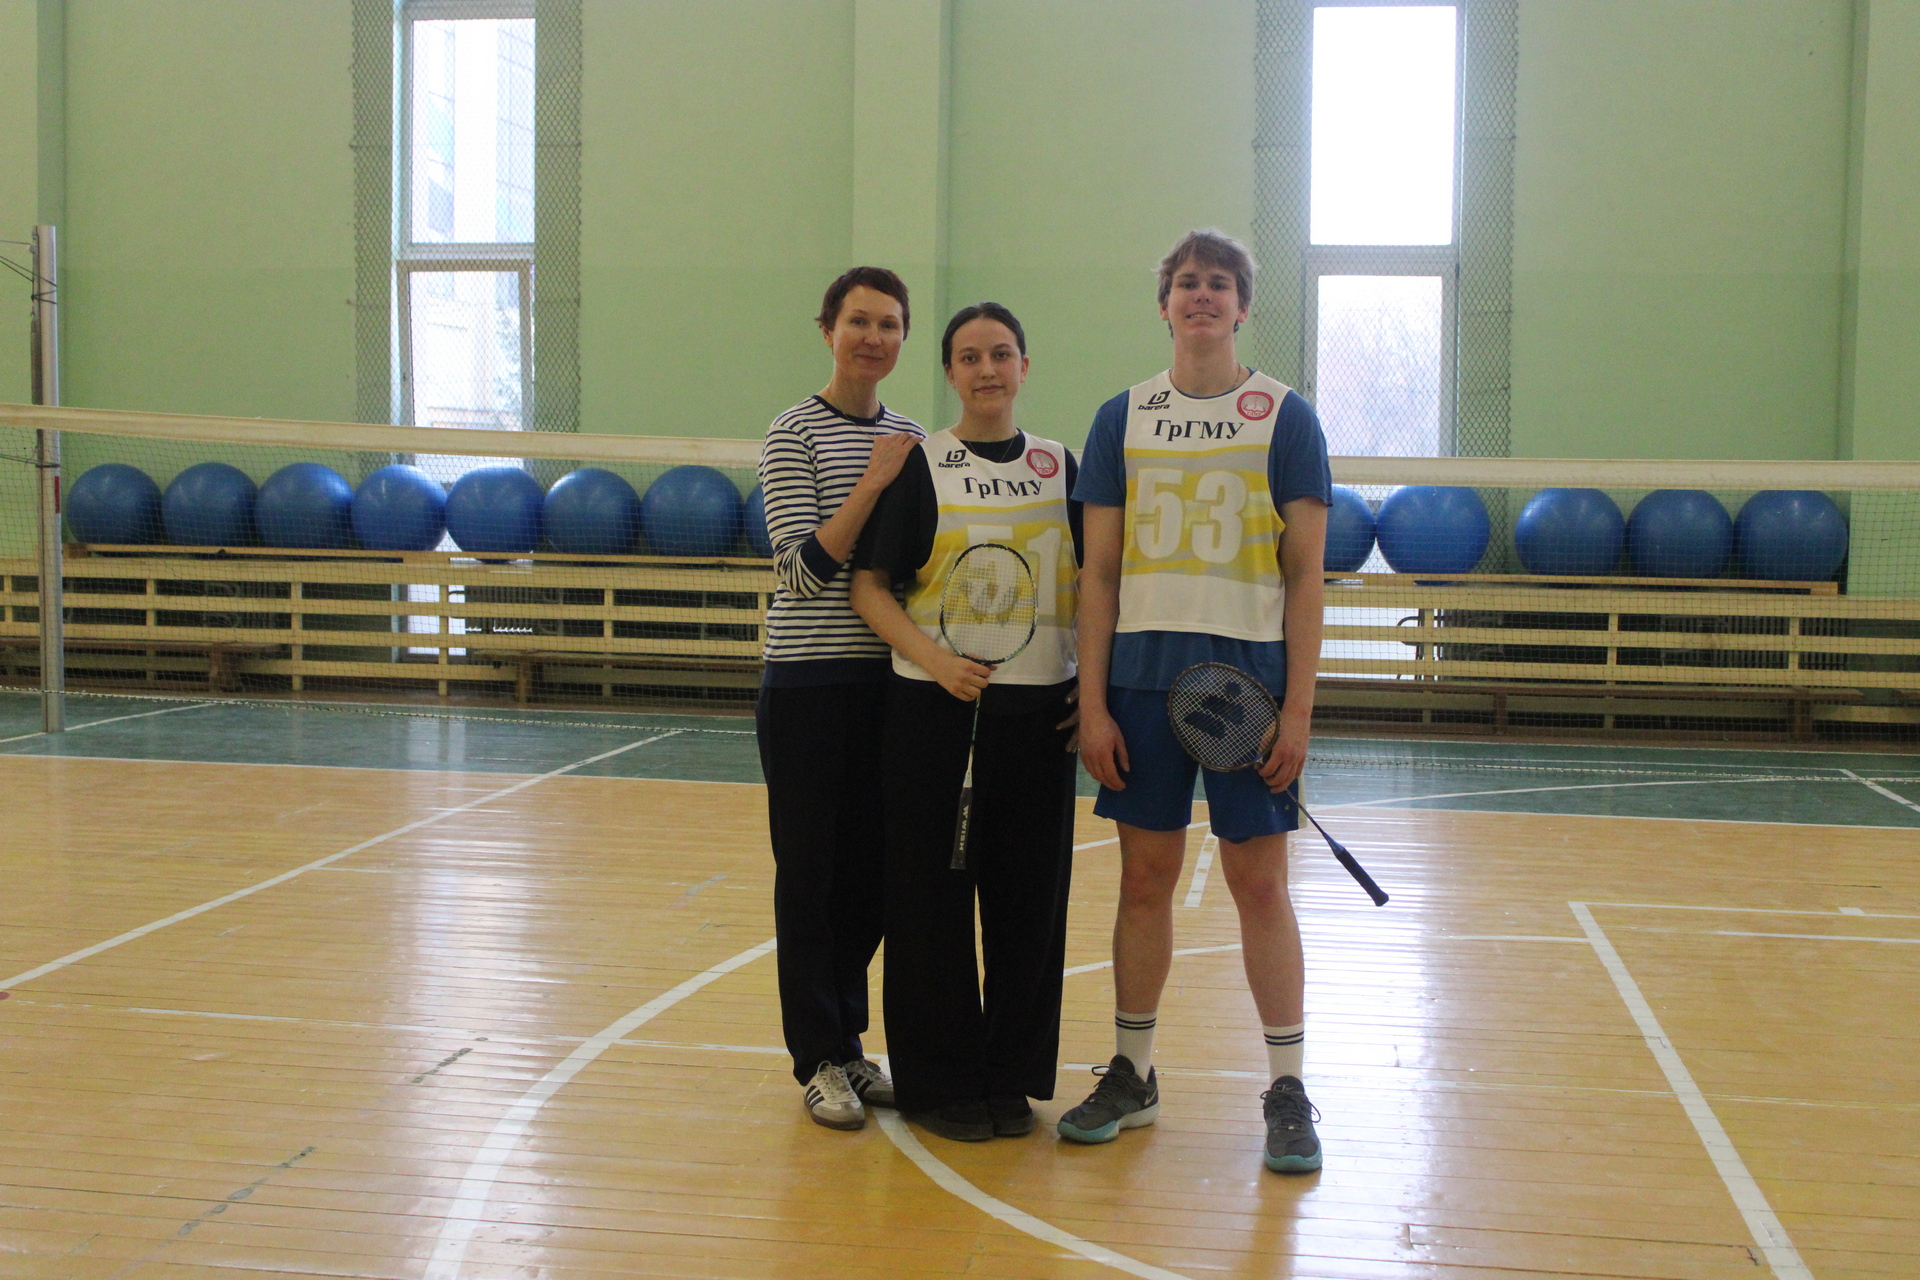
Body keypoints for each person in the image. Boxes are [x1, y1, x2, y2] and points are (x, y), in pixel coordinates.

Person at [1061, 230, 1332, 1174]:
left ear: (1243, 306)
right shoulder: (1120, 418)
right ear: (1164, 304)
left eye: (1220, 284)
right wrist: (1093, 705)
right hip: (1139, 683)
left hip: (1248, 686)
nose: (1202, 296)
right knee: (1144, 880)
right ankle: (1133, 1072)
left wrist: (1297, 712)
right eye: (1187, 283)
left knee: (1261, 885)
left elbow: (1305, 577)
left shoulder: (1286, 417)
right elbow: (1099, 574)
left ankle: (1287, 1088)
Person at [849, 303, 1082, 1143]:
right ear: (949, 372)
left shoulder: (1062, 465)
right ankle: (941, 1083)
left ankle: (1010, 1076)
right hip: (935, 712)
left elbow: (1100, 580)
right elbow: (869, 586)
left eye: (1002, 354)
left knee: (1029, 905)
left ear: (1024, 366)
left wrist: (1090, 686)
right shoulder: (924, 465)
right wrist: (935, 659)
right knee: (930, 902)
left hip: (1043, 717)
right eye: (970, 357)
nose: (988, 369)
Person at [756, 266, 925, 1131]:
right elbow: (801, 571)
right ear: (828, 330)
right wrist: (871, 483)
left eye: (889, 324)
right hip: (808, 687)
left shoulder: (914, 437)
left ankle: (851, 1044)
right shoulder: (794, 433)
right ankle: (817, 1057)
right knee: (810, 877)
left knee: (871, 877)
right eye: (859, 321)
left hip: (887, 687)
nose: (873, 338)